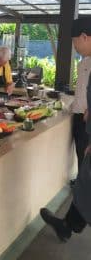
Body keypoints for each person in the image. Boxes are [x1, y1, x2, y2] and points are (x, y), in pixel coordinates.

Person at [40, 16, 91, 242]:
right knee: (85, 180)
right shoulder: (86, 60)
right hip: (84, 123)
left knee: (86, 180)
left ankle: (68, 224)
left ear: (84, 36)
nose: (75, 46)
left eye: (74, 41)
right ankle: (68, 224)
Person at [71, 56, 91, 170]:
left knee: (85, 150)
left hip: (86, 115)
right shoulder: (83, 62)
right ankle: (80, 179)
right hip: (78, 112)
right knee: (80, 148)